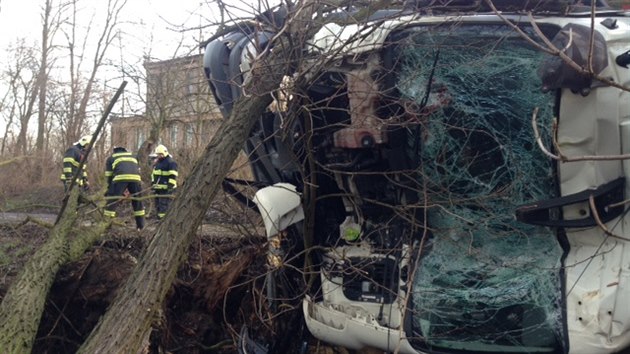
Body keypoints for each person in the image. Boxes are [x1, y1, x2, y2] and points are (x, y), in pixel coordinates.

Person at [104, 146, 146, 230]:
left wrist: (110, 188)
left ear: (114, 151)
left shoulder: (111, 158)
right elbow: (135, 169)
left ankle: (107, 226)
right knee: (138, 202)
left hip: (120, 179)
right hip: (136, 179)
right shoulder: (133, 156)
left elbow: (109, 175)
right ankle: (140, 226)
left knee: (112, 201)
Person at [151, 144, 178, 220]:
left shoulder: (171, 162)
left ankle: (163, 220)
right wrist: (153, 183)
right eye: (158, 154)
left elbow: (173, 175)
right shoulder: (157, 163)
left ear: (164, 153)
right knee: (158, 205)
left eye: (160, 154)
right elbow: (153, 174)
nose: (159, 156)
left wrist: (170, 185)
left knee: (164, 206)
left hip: (167, 189)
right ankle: (159, 219)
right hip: (158, 188)